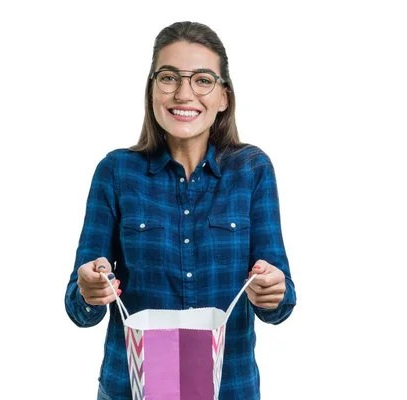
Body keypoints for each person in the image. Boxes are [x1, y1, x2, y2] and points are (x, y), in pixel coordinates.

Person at [65, 21, 297, 400]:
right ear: (152, 90)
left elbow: (279, 304)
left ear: (224, 97)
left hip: (229, 389)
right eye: (169, 77)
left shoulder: (252, 170)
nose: (184, 93)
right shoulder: (116, 171)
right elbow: (78, 306)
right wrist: (89, 291)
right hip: (131, 389)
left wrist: (273, 291)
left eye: (203, 79)